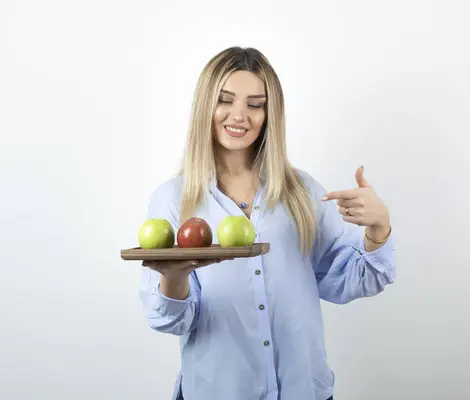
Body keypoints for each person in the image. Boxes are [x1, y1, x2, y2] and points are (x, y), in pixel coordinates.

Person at [138, 46, 395, 400]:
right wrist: (174, 275)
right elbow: (171, 320)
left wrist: (377, 230)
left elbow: (347, 280)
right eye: (225, 100)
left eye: (255, 104)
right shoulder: (172, 200)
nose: (239, 115)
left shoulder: (301, 192)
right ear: (204, 107)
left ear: (269, 114)